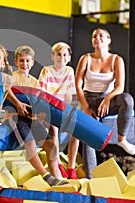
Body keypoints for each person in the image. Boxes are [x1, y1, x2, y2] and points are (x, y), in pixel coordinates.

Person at [0, 45, 68, 186]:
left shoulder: (35, 82)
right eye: (21, 61)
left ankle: (56, 176)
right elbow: (6, 92)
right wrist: (17, 104)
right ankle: (47, 176)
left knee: (51, 146)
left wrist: (40, 115)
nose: (25, 64)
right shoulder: (12, 78)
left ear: (32, 62)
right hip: (14, 117)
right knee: (31, 143)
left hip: (30, 119)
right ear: (16, 62)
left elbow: (39, 102)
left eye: (28, 61)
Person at [74, 28, 135, 178]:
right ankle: (90, 177)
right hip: (89, 99)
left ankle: (122, 139)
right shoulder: (86, 58)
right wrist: (86, 107)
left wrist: (108, 99)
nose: (97, 38)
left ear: (109, 40)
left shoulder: (117, 59)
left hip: (109, 99)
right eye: (94, 36)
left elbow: (120, 87)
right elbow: (77, 84)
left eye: (101, 35)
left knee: (127, 99)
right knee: (88, 134)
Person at [38, 42, 78, 179]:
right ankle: (57, 162)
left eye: (64, 55)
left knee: (75, 131)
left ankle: (71, 167)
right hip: (49, 106)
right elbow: (42, 92)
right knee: (54, 131)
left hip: (63, 106)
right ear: (52, 56)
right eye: (58, 55)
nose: (61, 57)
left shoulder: (69, 71)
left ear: (68, 58)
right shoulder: (46, 70)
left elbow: (69, 94)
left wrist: (66, 110)